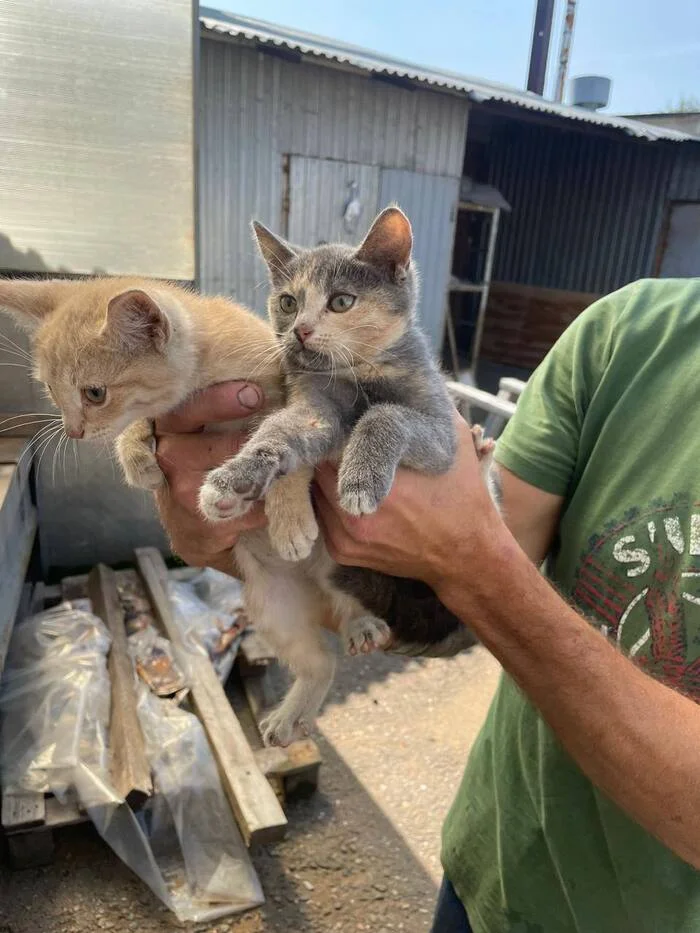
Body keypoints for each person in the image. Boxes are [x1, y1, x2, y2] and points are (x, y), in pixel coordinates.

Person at [154, 278, 700, 933]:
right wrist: (231, 540)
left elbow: (470, 562)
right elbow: (448, 601)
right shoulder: (631, 333)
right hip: (493, 878)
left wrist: (470, 560)